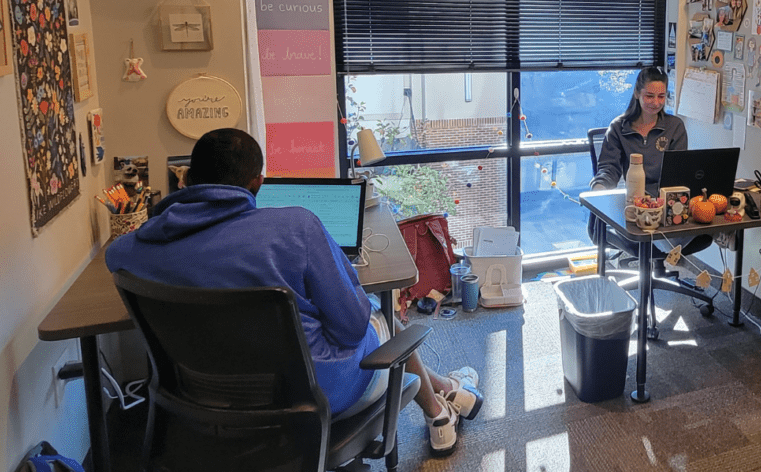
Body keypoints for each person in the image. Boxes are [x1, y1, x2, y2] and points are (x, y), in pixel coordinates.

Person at [106, 128, 482, 456]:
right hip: (314, 395)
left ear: (186, 179)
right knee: (377, 316)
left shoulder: (138, 250)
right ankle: (441, 405)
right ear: (258, 183)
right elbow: (351, 329)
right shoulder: (296, 227)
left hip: (202, 397)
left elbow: (114, 253)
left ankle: (445, 395)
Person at [590, 67, 712, 259]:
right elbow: (609, 169)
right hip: (634, 205)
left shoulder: (675, 127)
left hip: (666, 205)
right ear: (637, 93)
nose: (655, 103)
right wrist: (598, 190)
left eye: (661, 96)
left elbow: (679, 174)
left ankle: (721, 233)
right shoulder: (618, 128)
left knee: (706, 222)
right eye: (649, 96)